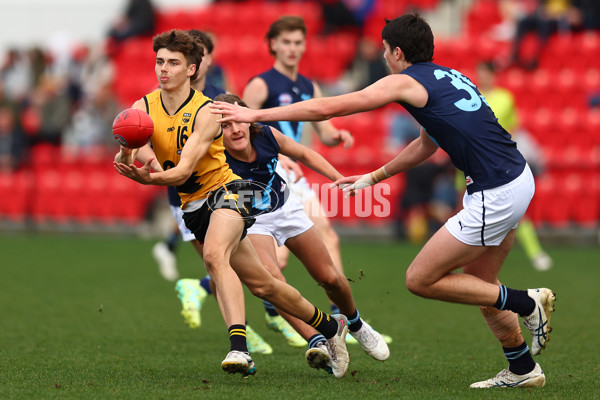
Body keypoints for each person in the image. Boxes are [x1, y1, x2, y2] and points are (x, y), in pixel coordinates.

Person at [211, 14, 556, 388]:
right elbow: (427, 142)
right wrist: (374, 176)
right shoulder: (448, 76)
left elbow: (333, 107)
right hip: (516, 178)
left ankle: (526, 302)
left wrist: (255, 114)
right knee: (481, 285)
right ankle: (523, 368)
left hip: (497, 191)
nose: (383, 56)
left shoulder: (405, 81)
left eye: (385, 50)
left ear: (397, 52)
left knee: (420, 279)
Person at [113, 29, 350, 378]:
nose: (163, 69)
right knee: (264, 285)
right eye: (160, 61)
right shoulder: (142, 108)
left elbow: (181, 171)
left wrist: (148, 178)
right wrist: (126, 152)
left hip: (230, 191)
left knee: (213, 256)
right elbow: (133, 146)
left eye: (173, 63)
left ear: (192, 69)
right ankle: (331, 328)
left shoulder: (207, 111)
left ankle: (240, 350)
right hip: (193, 207)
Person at [177, 93, 389, 372]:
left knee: (330, 277)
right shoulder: (214, 155)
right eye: (226, 125)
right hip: (249, 217)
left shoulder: (265, 134)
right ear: (215, 131)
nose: (236, 129)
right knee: (271, 280)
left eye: (239, 120)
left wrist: (337, 178)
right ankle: (320, 341)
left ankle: (356, 323)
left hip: (285, 207)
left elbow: (303, 153)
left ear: (249, 119)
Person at [242, 15, 376, 348]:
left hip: (296, 178)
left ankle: (340, 316)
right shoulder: (260, 85)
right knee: (276, 260)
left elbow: (324, 131)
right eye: (285, 42)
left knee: (327, 236)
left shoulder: (308, 86)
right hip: (265, 176)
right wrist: (279, 155)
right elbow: (241, 129)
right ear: (272, 44)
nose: (292, 48)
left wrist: (337, 136)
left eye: (298, 42)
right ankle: (284, 314)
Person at [475, 61, 553, 271]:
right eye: (479, 72)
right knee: (466, 209)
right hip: (472, 161)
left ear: (493, 75)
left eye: (484, 72)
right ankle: (468, 259)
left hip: (497, 162)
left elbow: (512, 128)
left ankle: (535, 253)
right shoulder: (471, 95)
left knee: (516, 212)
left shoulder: (505, 98)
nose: (482, 77)